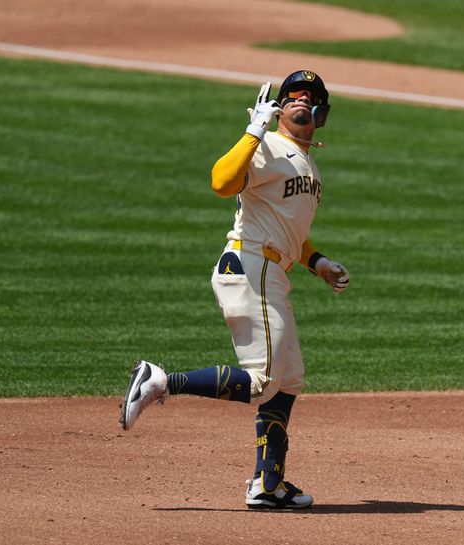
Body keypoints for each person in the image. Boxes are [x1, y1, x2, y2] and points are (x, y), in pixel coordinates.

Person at [119, 69, 349, 509]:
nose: (301, 98)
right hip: (250, 265)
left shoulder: (306, 162)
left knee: (288, 381)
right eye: (292, 94)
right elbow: (221, 183)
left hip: (271, 270)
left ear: (321, 113)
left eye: (310, 96)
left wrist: (317, 262)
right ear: (279, 106)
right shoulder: (265, 147)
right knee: (263, 381)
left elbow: (288, 232)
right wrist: (252, 130)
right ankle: (161, 380)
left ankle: (268, 483)